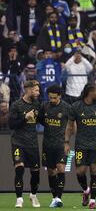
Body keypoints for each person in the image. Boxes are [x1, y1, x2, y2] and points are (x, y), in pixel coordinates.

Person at [64, 83, 96, 209]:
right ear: (90, 92)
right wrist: (66, 143)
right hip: (81, 144)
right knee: (80, 172)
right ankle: (86, 190)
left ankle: (93, 201)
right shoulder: (76, 106)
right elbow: (69, 126)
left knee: (94, 170)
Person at [8, 80, 41, 208]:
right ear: (28, 90)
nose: (38, 93)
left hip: (32, 143)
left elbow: (42, 120)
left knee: (35, 173)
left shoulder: (37, 105)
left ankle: (33, 195)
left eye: (38, 90)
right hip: (18, 143)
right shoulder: (16, 105)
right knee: (19, 169)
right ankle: (19, 199)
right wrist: (25, 118)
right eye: (36, 90)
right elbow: (11, 125)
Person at [38, 84, 70, 207]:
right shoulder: (44, 107)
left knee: (60, 168)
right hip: (47, 144)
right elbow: (40, 119)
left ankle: (58, 198)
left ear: (60, 96)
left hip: (61, 144)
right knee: (51, 172)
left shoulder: (67, 108)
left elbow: (71, 125)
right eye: (50, 97)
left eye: (54, 98)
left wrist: (67, 141)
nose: (52, 100)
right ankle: (54, 198)